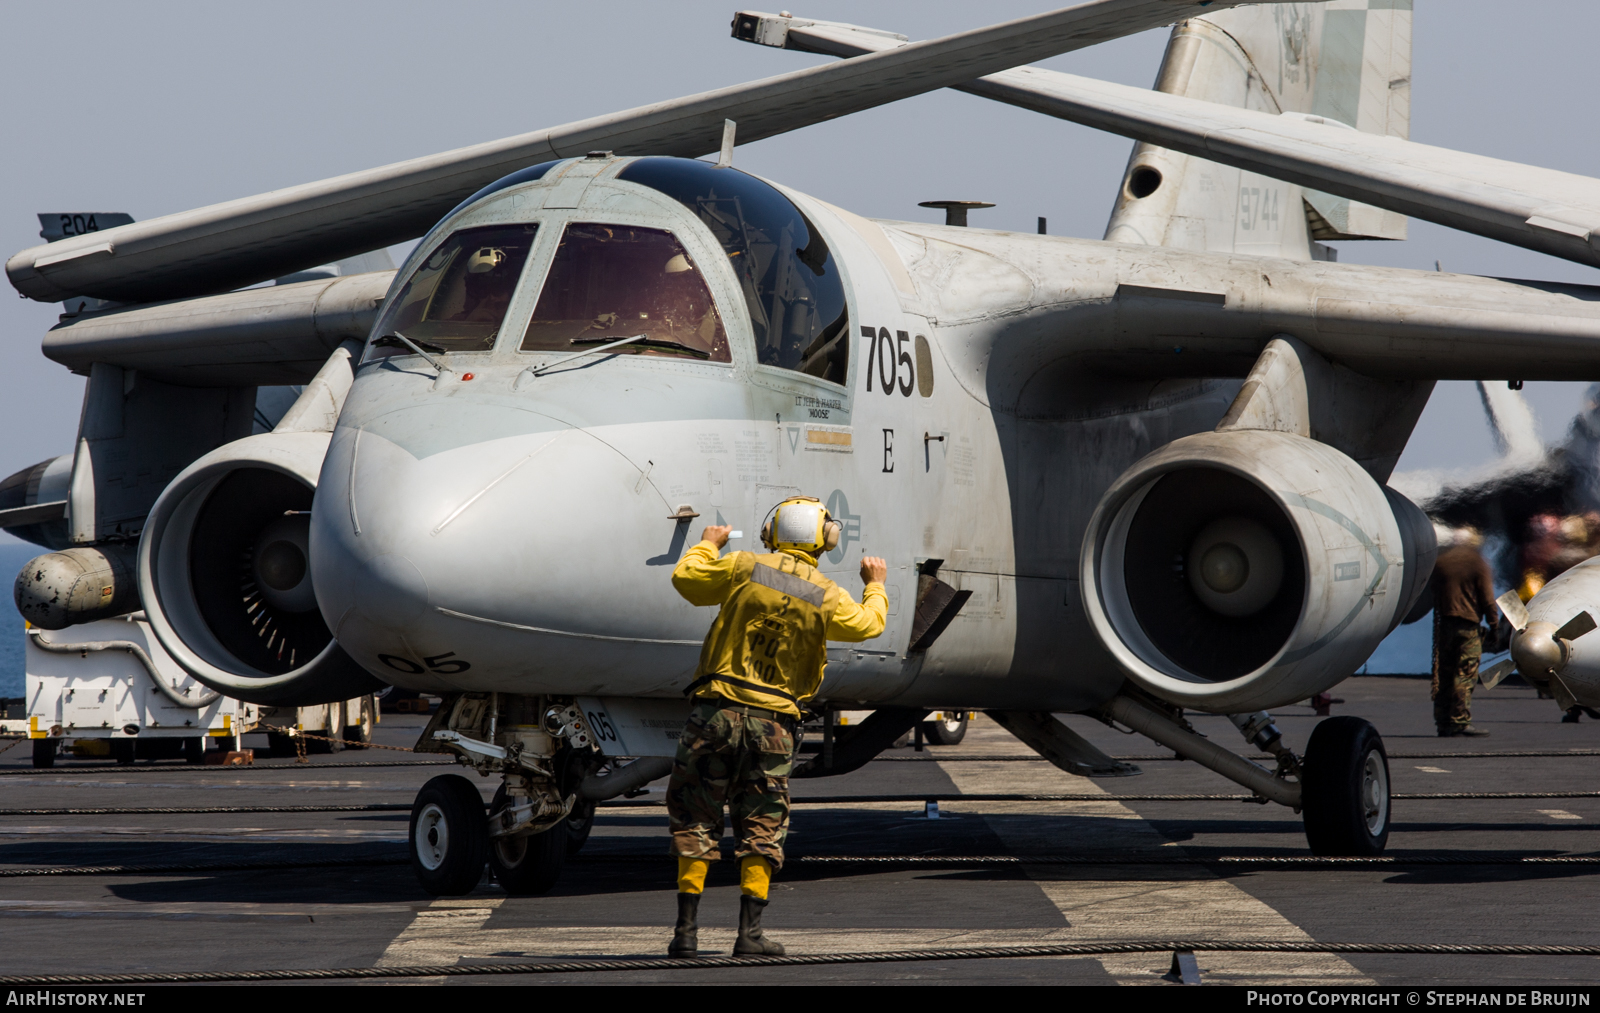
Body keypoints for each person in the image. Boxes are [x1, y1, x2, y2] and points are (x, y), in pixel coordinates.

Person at [664, 496, 889, 958]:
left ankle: (685, 934)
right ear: (825, 538)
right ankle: (750, 935)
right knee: (762, 821)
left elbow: (686, 579)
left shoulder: (746, 566)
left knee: (695, 815)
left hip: (716, 713)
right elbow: (869, 626)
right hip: (774, 725)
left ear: (773, 533)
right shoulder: (826, 593)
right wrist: (876, 585)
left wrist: (708, 546)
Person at [1430, 528, 1498, 737]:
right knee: (1465, 674)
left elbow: (1433, 592)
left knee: (1445, 674)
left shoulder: (1441, 562)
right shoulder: (1477, 562)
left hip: (1445, 625)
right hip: (1468, 627)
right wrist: (1494, 624)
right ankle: (1460, 721)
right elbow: (1487, 597)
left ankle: (1442, 722)